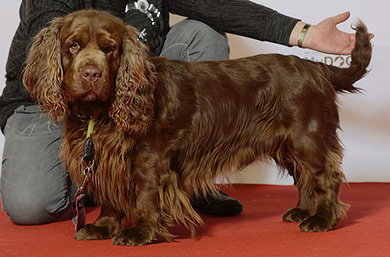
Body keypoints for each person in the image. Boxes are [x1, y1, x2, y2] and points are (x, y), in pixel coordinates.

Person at [0, 0, 362, 225]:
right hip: (49, 100)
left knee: (204, 30)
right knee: (32, 205)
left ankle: (186, 175)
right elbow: (52, 38)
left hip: (132, 86)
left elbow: (216, 5)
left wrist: (305, 33)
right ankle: (112, 187)